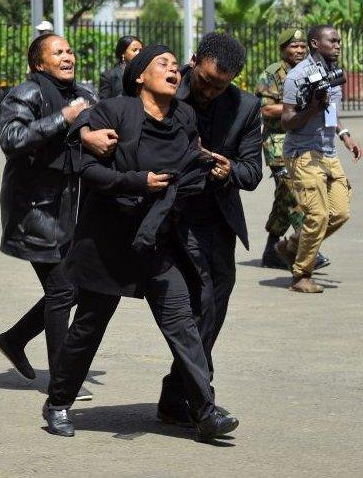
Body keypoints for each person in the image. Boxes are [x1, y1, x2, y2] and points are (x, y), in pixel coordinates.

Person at [42, 45, 239, 442]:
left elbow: (190, 169)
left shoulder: (184, 116)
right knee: (88, 326)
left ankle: (204, 410)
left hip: (156, 241)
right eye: (161, 64)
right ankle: (59, 401)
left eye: (174, 66)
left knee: (182, 322)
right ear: (138, 76)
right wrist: (138, 182)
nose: (173, 70)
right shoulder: (115, 111)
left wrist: (197, 176)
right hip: (109, 243)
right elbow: (84, 167)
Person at [155, 32, 262, 426]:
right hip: (169, 216)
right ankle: (202, 401)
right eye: (205, 81)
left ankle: (176, 393)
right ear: (194, 60)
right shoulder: (162, 85)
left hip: (216, 221)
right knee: (200, 305)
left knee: (212, 309)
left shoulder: (245, 107)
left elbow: (253, 172)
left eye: (222, 86)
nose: (210, 92)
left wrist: (229, 168)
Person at [0, 34, 95, 398]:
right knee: (62, 290)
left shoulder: (84, 94)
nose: (68, 56)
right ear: (39, 64)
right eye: (58, 52)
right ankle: (62, 379)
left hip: (72, 207)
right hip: (34, 208)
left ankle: (15, 338)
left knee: (78, 286)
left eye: (69, 51)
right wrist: (61, 118)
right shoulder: (25, 94)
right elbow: (12, 138)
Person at [278, 25, 361, 293]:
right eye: (332, 41)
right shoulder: (297, 77)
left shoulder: (331, 74)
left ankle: (292, 246)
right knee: (318, 215)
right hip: (302, 153)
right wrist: (312, 107)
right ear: (316, 43)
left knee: (339, 213)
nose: (338, 45)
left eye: (338, 41)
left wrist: (345, 135)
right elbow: (287, 121)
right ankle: (301, 274)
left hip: (328, 152)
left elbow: (331, 110)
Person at [255, 30, 321, 270]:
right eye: (294, 46)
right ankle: (306, 249)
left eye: (303, 46)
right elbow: (266, 110)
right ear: (283, 48)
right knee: (294, 193)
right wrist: (295, 106)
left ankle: (272, 251)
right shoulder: (272, 74)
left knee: (284, 198)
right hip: (278, 143)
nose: (300, 51)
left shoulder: (310, 72)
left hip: (304, 142)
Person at [97, 36, 142, 100]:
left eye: (141, 50)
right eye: (134, 50)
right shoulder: (109, 76)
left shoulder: (145, 73)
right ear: (123, 53)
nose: (139, 53)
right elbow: (103, 103)